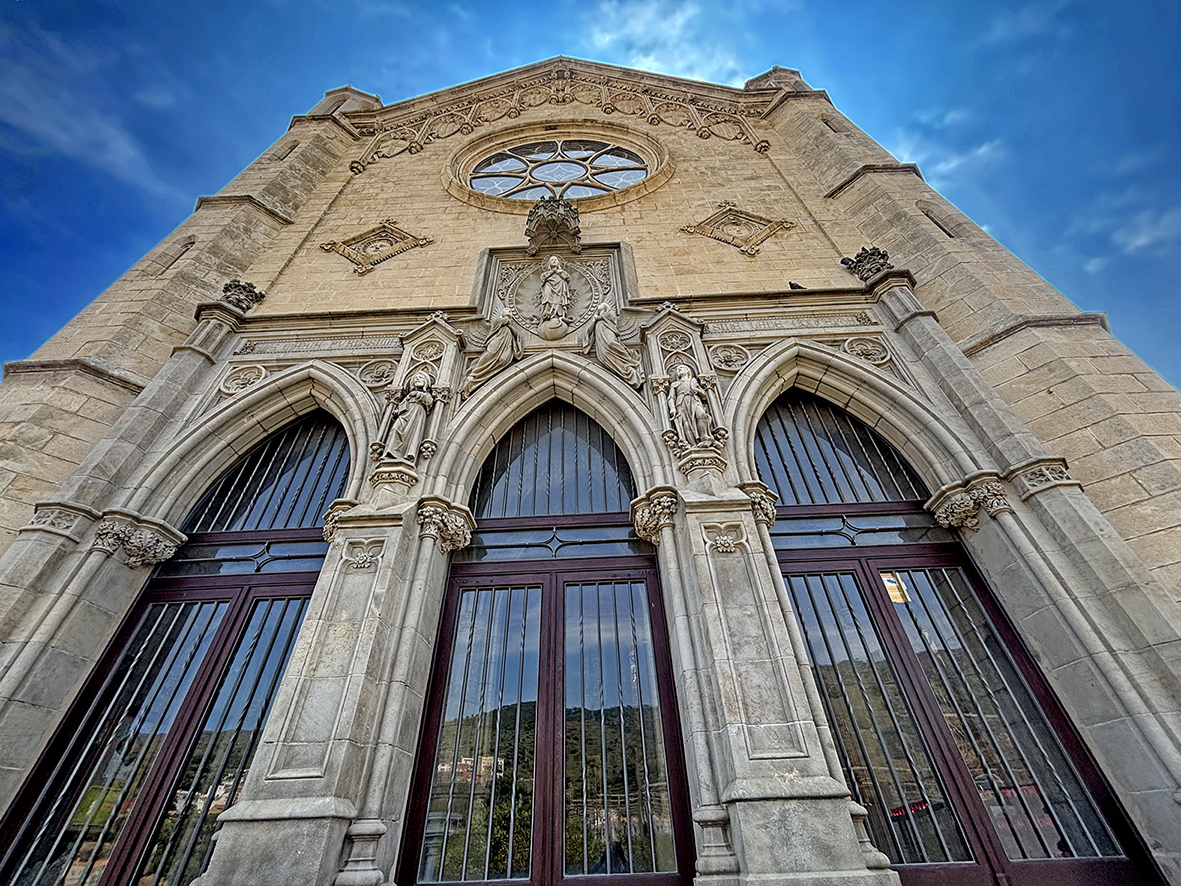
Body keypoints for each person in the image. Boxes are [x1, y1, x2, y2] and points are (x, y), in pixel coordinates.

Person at [581, 302, 643, 388]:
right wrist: (594, 321)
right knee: (604, 353)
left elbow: (612, 317)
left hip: (608, 332)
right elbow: (589, 330)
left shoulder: (609, 313)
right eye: (599, 309)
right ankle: (623, 367)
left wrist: (598, 318)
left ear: (605, 308)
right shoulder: (597, 319)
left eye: (601, 307)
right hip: (601, 337)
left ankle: (628, 365)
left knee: (611, 343)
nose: (599, 309)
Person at [378, 371, 434, 461]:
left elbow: (429, 401)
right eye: (416, 378)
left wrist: (418, 394)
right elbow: (403, 404)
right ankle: (390, 452)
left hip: (416, 413)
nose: (417, 379)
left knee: (412, 434)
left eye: (420, 378)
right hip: (405, 414)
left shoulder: (426, 395)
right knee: (395, 428)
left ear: (426, 383)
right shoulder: (408, 396)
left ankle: (407, 454)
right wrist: (397, 411)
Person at [462, 316, 523, 397]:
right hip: (496, 343)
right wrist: (505, 319)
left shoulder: (509, 328)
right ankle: (474, 375)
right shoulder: (499, 321)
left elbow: (517, 335)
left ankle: (482, 377)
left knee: (503, 359)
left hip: (506, 345)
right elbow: (498, 323)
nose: (509, 312)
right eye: (507, 310)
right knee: (489, 355)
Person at [668, 363, 716, 447]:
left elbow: (704, 396)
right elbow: (671, 397)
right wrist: (672, 408)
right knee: (686, 424)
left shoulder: (693, 381)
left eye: (682, 368)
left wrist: (697, 390)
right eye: (678, 369)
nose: (680, 370)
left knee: (701, 414)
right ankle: (693, 445)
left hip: (694, 400)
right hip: (681, 402)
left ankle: (705, 437)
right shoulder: (674, 384)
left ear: (688, 371)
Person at [538, 255, 573, 323]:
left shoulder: (562, 272)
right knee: (547, 296)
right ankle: (547, 312)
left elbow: (567, 278)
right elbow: (542, 278)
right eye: (552, 260)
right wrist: (551, 272)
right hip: (549, 285)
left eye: (555, 260)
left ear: (558, 263)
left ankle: (558, 314)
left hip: (560, 288)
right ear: (549, 264)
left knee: (559, 299)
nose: (554, 261)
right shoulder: (546, 273)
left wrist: (557, 272)